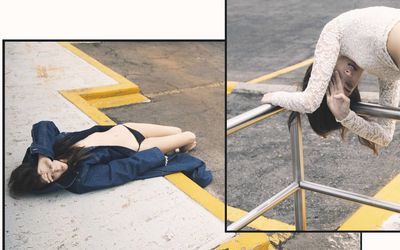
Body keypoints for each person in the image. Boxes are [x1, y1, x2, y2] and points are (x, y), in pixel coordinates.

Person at [262, 6, 400, 150]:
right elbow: (385, 136)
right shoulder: (381, 68)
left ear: (322, 68)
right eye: (347, 86)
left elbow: (309, 102)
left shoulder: (333, 32)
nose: (347, 74)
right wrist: (346, 116)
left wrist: (273, 97)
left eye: (333, 78)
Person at [8, 121, 212, 197]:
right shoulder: (80, 179)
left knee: (175, 129)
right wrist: (157, 155)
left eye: (46, 171)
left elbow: (43, 125)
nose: (55, 171)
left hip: (125, 128)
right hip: (137, 147)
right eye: (51, 179)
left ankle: (177, 144)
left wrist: (44, 155)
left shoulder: (50, 150)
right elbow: (122, 170)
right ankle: (179, 145)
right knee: (189, 136)